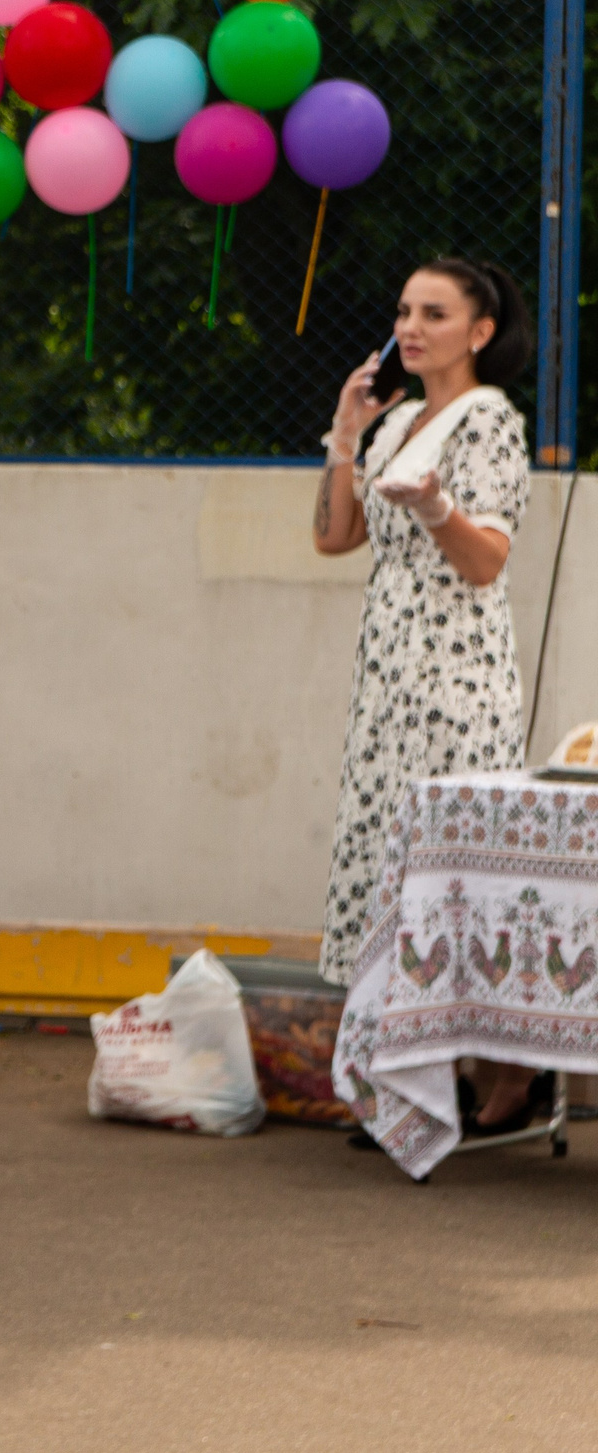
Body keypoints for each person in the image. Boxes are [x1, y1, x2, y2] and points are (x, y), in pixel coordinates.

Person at [314, 257, 536, 1125]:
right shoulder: (399, 416)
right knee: (390, 871)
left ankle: (502, 1072)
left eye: (434, 313)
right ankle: (403, 1078)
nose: (410, 327)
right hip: (388, 678)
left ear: (479, 331)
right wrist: (345, 435)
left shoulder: (489, 422)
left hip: (457, 680)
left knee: (454, 877)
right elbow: (337, 537)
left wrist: (439, 505)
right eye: (404, 309)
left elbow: (486, 560)